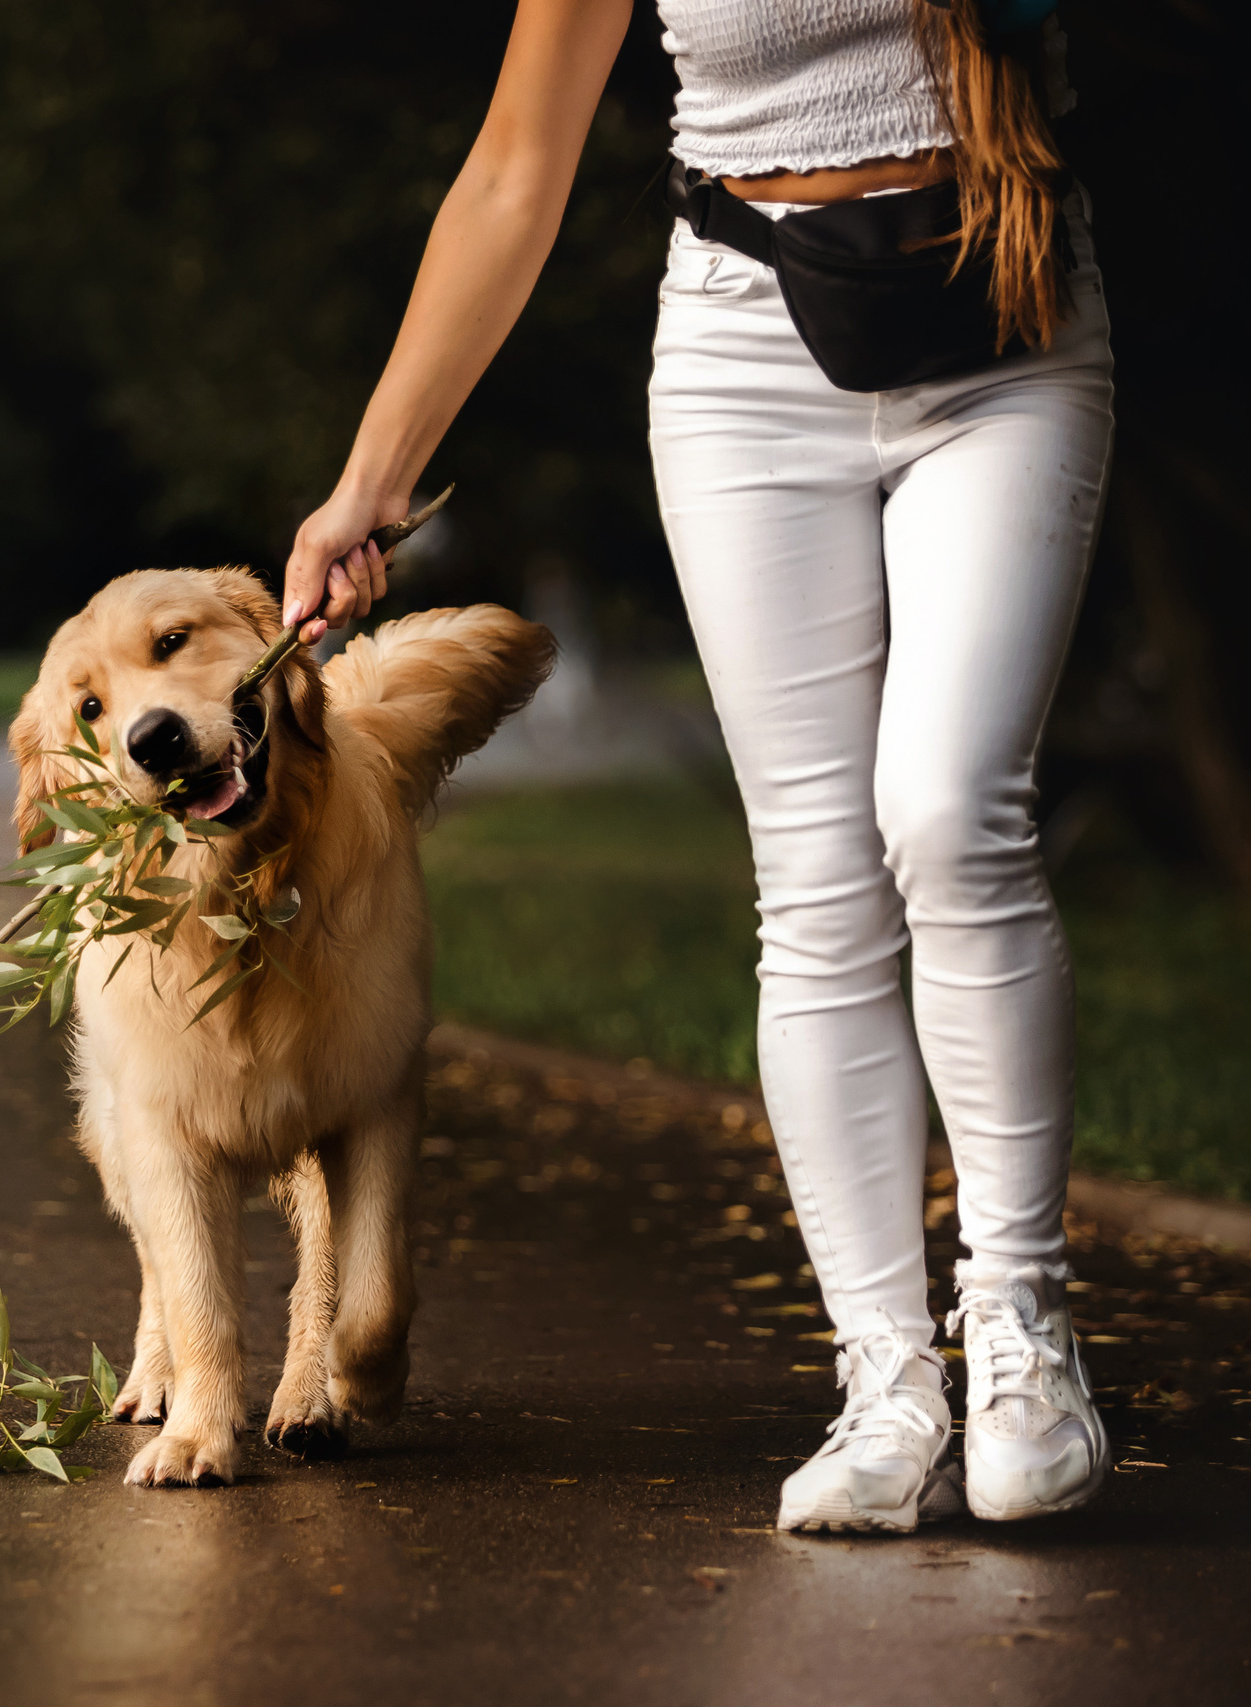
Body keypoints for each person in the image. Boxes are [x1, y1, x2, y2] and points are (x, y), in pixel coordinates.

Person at [284, 0, 1113, 1533]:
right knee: (816, 882)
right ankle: (886, 1379)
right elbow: (515, 169)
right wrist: (369, 484)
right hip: (745, 345)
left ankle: (1023, 1341)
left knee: (950, 811)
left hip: (1000, 314)